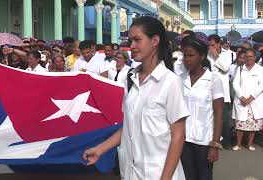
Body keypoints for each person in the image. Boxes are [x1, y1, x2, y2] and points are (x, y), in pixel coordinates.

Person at [83, 16, 189, 180]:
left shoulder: (170, 82)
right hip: (131, 173)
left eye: (137, 40)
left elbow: (178, 136)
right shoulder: (131, 79)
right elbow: (129, 127)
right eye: (130, 40)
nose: (131, 46)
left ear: (155, 41)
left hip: (158, 173)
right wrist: (100, 149)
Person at [179, 38, 224, 180]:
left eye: (191, 55)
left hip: (204, 141)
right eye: (184, 56)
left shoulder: (213, 79)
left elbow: (218, 113)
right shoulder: (180, 79)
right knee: (187, 176)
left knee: (204, 176)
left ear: (202, 56)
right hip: (183, 139)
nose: (187, 59)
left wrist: (214, 145)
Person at [232, 48, 263, 151]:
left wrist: (250, 98)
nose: (248, 58)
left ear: (255, 57)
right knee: (240, 124)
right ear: (244, 58)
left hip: (254, 100)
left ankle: (250, 144)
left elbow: (261, 86)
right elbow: (235, 84)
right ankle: (238, 144)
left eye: (251, 56)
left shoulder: (260, 69)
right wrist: (241, 97)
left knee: (253, 125)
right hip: (242, 101)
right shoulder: (240, 69)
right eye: (246, 56)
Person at [207, 34, 233, 149]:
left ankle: (227, 142)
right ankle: (214, 141)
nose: (210, 47)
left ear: (218, 44)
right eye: (209, 45)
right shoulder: (206, 54)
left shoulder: (227, 54)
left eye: (213, 45)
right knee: (213, 118)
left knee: (225, 120)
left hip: (223, 91)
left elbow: (226, 68)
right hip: (210, 90)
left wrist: (216, 56)